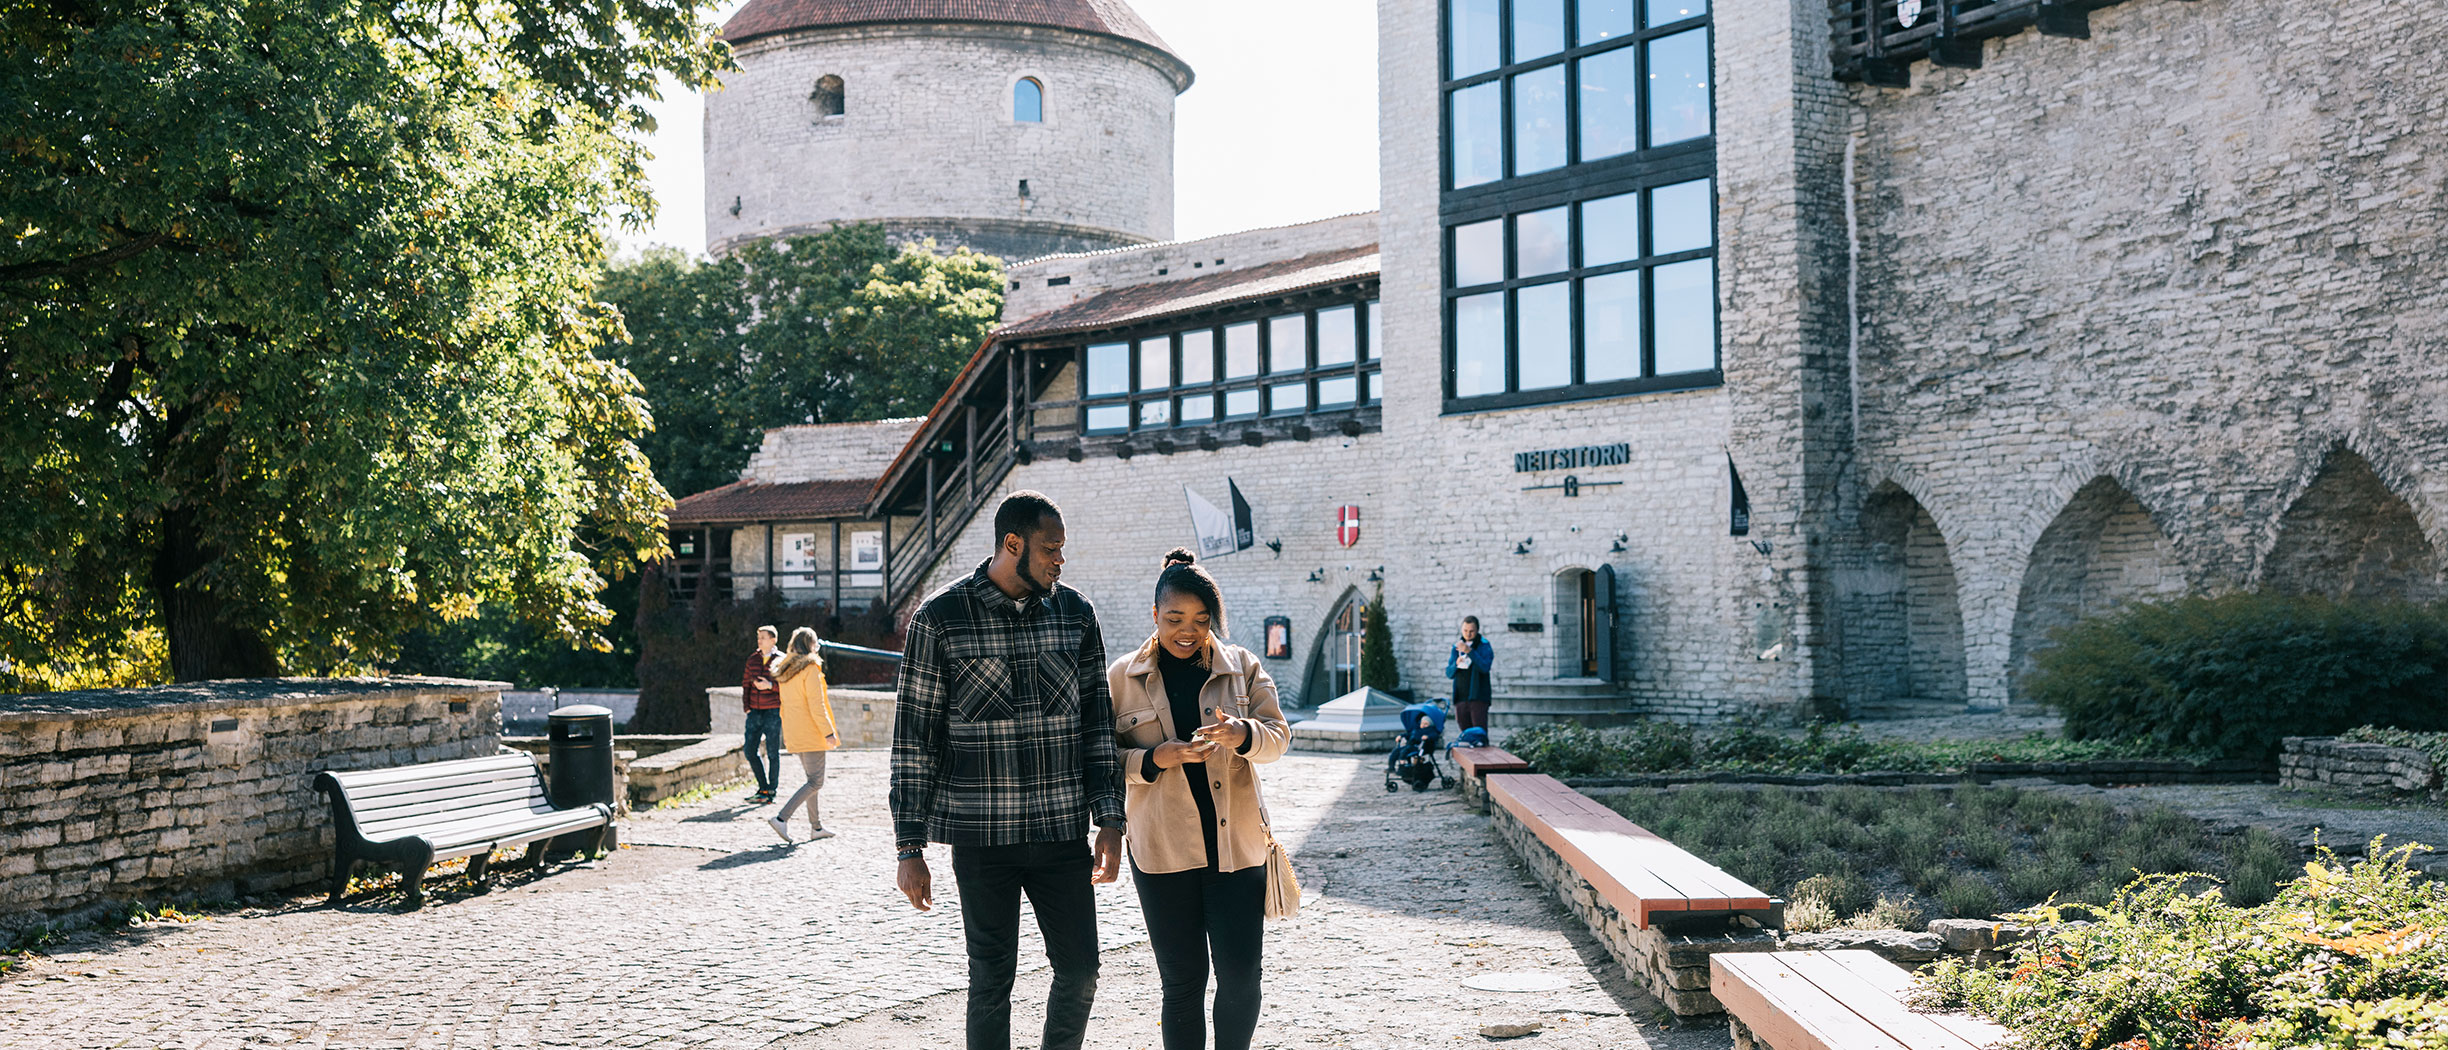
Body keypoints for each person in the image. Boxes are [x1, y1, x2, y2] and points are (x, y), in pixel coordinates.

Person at [890, 491, 1124, 1050]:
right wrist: (909, 848)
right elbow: (914, 739)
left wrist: (1110, 819)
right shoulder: (940, 620)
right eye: (1050, 549)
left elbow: (1098, 724)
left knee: (1082, 971)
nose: (1059, 561)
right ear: (1012, 544)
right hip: (981, 840)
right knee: (991, 982)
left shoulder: (1076, 615)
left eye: (1062, 550)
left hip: (1061, 833)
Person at [1108, 549, 1290, 1050]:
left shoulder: (1242, 667)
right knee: (1182, 983)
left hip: (1237, 849)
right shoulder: (1120, 678)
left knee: (1242, 978)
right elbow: (1099, 760)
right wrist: (1154, 758)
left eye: (1201, 620)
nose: (1187, 631)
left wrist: (1243, 733)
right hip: (1162, 851)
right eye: (1174, 619)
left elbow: (1279, 737)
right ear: (1154, 615)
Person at [768, 626, 839, 842]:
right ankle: (781, 818)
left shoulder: (786, 670)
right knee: (816, 782)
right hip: (811, 732)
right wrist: (828, 732)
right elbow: (817, 705)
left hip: (794, 730)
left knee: (811, 781)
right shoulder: (810, 669)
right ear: (810, 645)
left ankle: (816, 827)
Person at [742, 624, 784, 804]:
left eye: (763, 638)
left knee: (773, 752)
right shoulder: (752, 659)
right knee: (749, 751)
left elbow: (787, 687)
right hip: (754, 711)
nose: (759, 641)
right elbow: (746, 684)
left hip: (773, 711)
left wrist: (770, 686)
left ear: (773, 640)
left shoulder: (782, 660)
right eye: (758, 637)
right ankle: (763, 787)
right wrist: (746, 706)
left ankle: (771, 790)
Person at [1445, 616, 1494, 733]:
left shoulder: (1484, 645)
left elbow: (1485, 667)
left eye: (1471, 631)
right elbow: (1449, 673)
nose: (1468, 634)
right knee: (1465, 733)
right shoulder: (1457, 647)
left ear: (1477, 630)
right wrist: (1456, 664)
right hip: (1461, 697)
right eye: (1465, 630)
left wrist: (1470, 652)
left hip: (1478, 696)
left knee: (1479, 733)